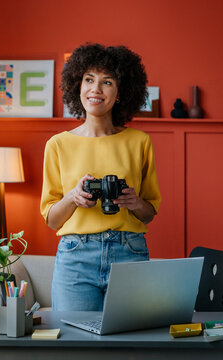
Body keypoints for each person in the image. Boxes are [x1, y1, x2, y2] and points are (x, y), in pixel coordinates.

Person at [40, 43, 161, 311]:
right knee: (75, 348)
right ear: (78, 86)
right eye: (89, 80)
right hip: (75, 257)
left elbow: (149, 213)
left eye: (107, 82)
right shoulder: (57, 144)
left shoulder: (139, 141)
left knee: (131, 344)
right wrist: (73, 197)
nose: (96, 89)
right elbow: (51, 219)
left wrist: (133, 201)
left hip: (129, 251)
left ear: (120, 93)